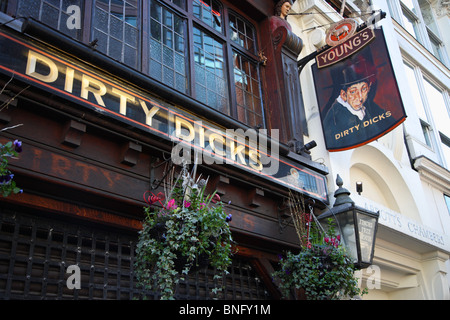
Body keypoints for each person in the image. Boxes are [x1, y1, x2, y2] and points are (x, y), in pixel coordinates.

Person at [322, 57, 396, 149]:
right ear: (343, 95)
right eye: (353, 92)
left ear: (369, 87)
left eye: (363, 89)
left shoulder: (364, 110)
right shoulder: (336, 115)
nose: (360, 97)